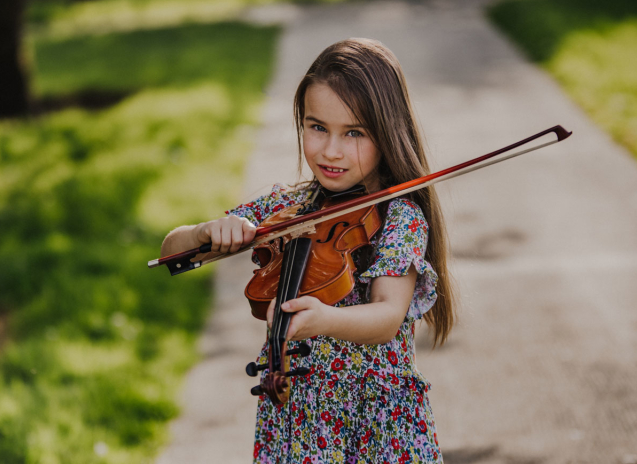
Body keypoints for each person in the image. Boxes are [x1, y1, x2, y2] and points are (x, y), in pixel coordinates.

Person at [160, 38, 455, 463]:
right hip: (300, 421)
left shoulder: (399, 216)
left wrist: (326, 320)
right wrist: (206, 231)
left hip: (378, 424)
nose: (331, 150)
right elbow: (171, 252)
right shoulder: (288, 207)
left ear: (387, 134)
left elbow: (387, 316)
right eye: (317, 127)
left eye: (354, 133)